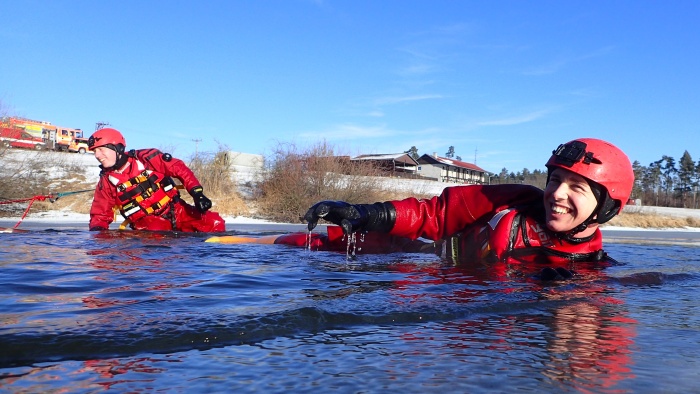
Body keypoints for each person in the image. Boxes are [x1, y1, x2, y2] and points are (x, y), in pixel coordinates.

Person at [296, 137, 634, 278]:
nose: (557, 193)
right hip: (420, 257)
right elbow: (436, 215)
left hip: (431, 287)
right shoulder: (516, 199)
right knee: (306, 244)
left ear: (606, 208)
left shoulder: (592, 269)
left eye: (576, 187)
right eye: (555, 180)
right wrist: (367, 214)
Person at [87, 127, 226, 232]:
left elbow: (179, 169)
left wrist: (197, 194)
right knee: (157, 235)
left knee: (215, 223)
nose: (97, 155)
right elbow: (100, 215)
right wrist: (97, 233)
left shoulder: (146, 158)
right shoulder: (106, 182)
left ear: (117, 148)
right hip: (147, 225)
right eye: (94, 151)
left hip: (177, 210)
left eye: (101, 149)